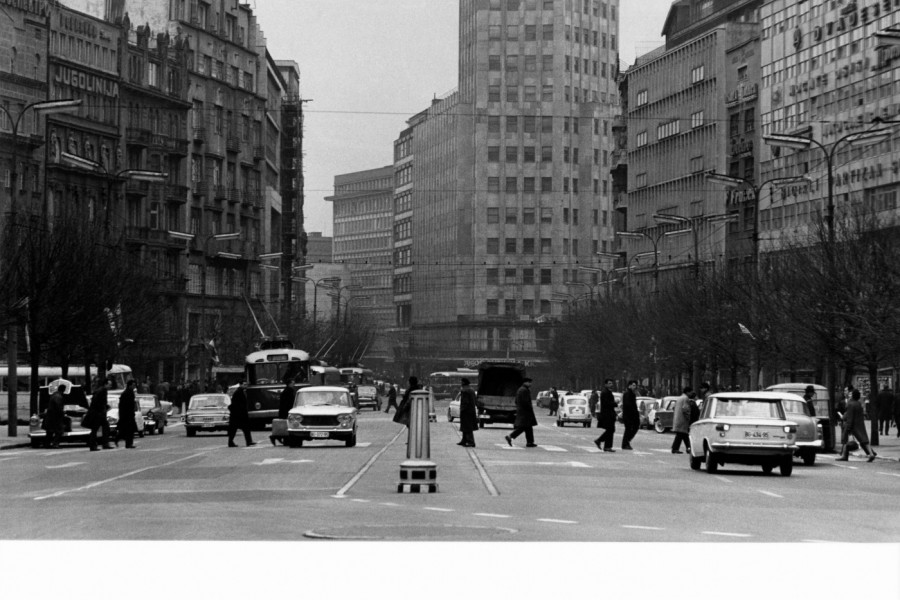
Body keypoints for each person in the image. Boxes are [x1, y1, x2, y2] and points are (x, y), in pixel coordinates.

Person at [836, 389, 876, 462]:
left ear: (853, 396)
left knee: (845, 440)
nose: (850, 395)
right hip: (860, 424)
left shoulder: (850, 404)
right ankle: (871, 454)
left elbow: (850, 416)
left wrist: (849, 427)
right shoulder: (858, 403)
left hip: (852, 425)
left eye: (851, 394)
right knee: (864, 440)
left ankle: (844, 455)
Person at [505, 377, 537, 448]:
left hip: (522, 411)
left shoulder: (521, 389)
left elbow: (516, 401)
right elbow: (525, 402)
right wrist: (529, 408)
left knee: (528, 427)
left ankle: (530, 442)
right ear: (525, 382)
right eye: (529, 382)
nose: (530, 384)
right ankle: (510, 436)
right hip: (525, 412)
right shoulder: (524, 390)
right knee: (523, 427)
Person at [86, 376, 113, 451]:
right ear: (105, 384)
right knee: (95, 430)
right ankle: (93, 445)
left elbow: (101, 402)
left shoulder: (103, 391)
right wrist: (101, 409)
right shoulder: (101, 391)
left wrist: (106, 407)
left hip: (100, 413)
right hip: (97, 414)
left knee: (105, 427)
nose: (110, 386)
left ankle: (104, 444)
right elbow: (96, 402)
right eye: (109, 384)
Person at [227, 380, 256, 447]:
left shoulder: (242, 392)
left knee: (245, 428)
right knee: (234, 429)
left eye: (246, 384)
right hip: (238, 415)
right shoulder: (238, 392)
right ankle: (231, 442)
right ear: (240, 385)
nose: (246, 385)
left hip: (239, 415)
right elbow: (237, 404)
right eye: (244, 384)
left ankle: (248, 441)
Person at [270, 377, 297, 446]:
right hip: (286, 411)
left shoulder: (287, 390)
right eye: (293, 383)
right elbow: (289, 403)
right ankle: (275, 437)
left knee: (286, 426)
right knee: (286, 426)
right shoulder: (288, 391)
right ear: (289, 384)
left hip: (285, 411)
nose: (294, 384)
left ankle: (284, 440)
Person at [593, 378, 617, 452]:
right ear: (605, 384)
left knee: (610, 430)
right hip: (607, 414)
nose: (611, 385)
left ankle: (607, 446)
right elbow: (606, 404)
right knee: (610, 430)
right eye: (609, 383)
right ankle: (600, 441)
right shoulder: (605, 392)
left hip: (609, 414)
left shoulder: (608, 392)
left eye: (611, 383)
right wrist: (615, 403)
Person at [43, 381, 66, 449]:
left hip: (50, 416)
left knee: (49, 432)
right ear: (63, 390)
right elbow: (58, 406)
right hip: (55, 417)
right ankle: (55, 444)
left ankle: (47, 444)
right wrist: (62, 413)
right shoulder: (58, 397)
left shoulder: (54, 395)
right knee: (59, 431)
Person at [116, 379, 138, 449]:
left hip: (130, 414)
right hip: (127, 415)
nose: (134, 387)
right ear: (130, 385)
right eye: (133, 385)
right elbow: (123, 405)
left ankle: (126, 442)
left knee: (128, 430)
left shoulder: (131, 392)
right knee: (128, 430)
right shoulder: (126, 393)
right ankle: (128, 444)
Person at [671, 386, 693, 454]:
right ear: (687, 392)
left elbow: (674, 407)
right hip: (682, 420)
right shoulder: (685, 398)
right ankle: (675, 448)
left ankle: (688, 448)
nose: (691, 394)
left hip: (678, 418)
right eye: (690, 392)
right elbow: (685, 409)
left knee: (684, 435)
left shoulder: (680, 398)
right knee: (681, 435)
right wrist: (689, 417)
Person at [457, 378, 478, 448]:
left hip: (466, 411)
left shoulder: (464, 391)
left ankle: (470, 441)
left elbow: (465, 402)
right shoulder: (471, 390)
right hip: (471, 410)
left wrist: (462, 409)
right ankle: (464, 440)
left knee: (467, 427)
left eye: (461, 382)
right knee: (466, 426)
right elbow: (475, 400)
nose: (460, 383)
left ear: (463, 383)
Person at [620, 380, 640, 450]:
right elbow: (629, 405)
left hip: (630, 415)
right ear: (630, 385)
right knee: (630, 429)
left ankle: (626, 442)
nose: (635, 387)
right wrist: (634, 413)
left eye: (635, 385)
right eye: (634, 385)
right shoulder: (628, 394)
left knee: (631, 429)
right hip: (629, 415)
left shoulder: (631, 393)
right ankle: (625, 443)